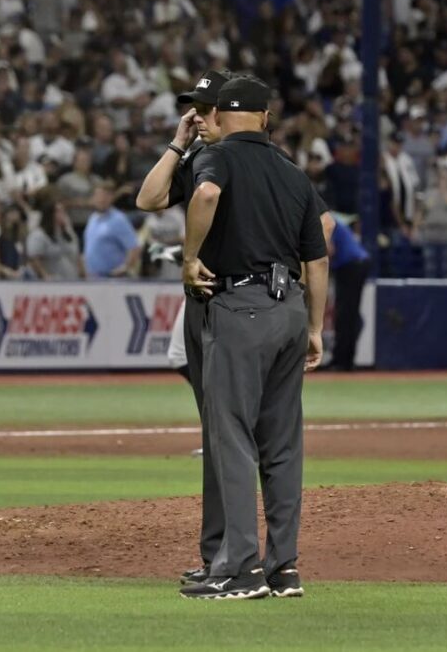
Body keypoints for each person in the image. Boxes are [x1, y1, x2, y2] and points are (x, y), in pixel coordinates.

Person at [137, 70, 334, 587]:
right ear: (265, 117)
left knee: (231, 438)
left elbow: (202, 198)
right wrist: (314, 326)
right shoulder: (292, 172)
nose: (200, 117)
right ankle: (282, 568)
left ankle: (238, 569)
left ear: (225, 112)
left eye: (207, 109)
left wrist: (189, 258)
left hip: (237, 306)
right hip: (288, 308)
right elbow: (319, 254)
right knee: (282, 444)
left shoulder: (216, 158)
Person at [327, 215, 370, 371]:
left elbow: (329, 249)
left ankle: (343, 361)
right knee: (347, 314)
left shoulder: (323, 220)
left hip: (351, 266)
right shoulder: (330, 218)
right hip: (353, 265)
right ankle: (343, 359)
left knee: (345, 314)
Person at [82, 179, 140, 278]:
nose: (102, 199)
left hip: (112, 279)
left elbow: (134, 248)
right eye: (99, 195)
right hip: (93, 278)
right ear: (93, 198)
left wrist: (124, 268)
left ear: (112, 197)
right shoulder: (92, 218)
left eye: (106, 196)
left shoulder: (118, 219)